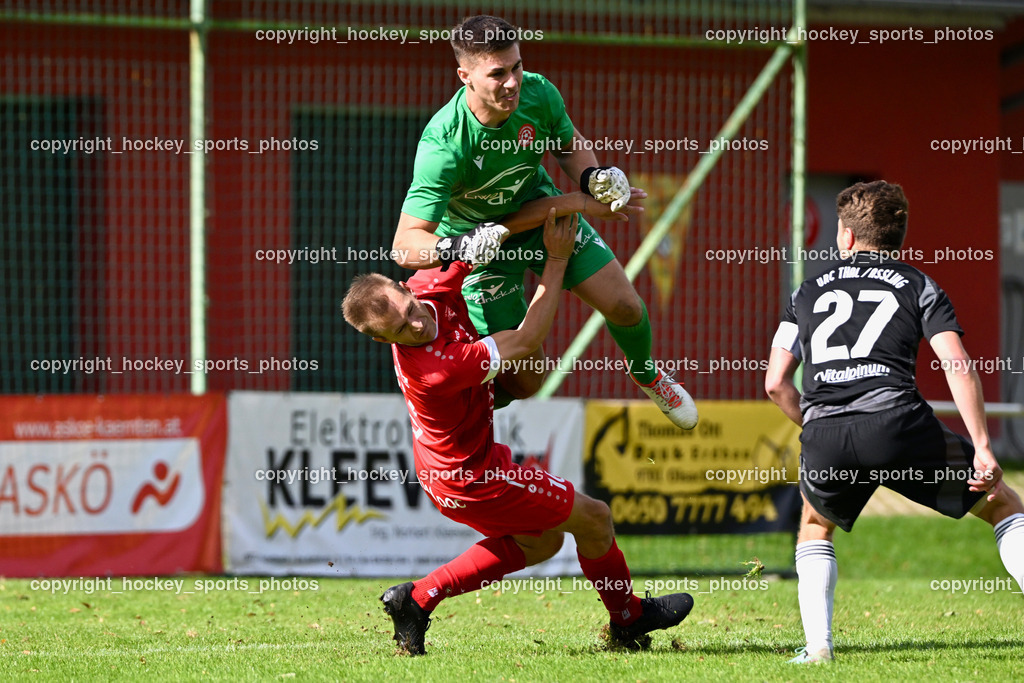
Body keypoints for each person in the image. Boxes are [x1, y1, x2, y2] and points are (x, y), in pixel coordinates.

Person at [343, 210, 693, 655]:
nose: (416, 324)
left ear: (407, 286)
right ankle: (628, 619)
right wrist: (558, 260)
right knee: (595, 519)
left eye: (409, 310)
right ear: (382, 340)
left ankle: (418, 598)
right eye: (400, 329)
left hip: (446, 474)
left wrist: (571, 198)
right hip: (474, 478)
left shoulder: (429, 290)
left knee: (542, 540)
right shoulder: (436, 368)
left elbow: (480, 237)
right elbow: (526, 341)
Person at [391, 14, 697, 429]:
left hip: (543, 216)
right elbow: (404, 245)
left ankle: (646, 374)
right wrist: (458, 247)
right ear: (464, 75)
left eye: (516, 66)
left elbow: (569, 145)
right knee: (527, 379)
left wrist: (593, 178)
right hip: (482, 250)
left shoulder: (538, 93)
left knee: (625, 306)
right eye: (497, 73)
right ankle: (458, 416)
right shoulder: (443, 146)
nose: (513, 82)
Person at [765, 180, 1024, 664]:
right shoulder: (919, 284)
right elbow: (958, 364)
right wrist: (983, 446)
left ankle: (818, 649)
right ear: (896, 238)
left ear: (844, 237)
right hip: (897, 424)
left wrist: (817, 426)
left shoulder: (805, 291)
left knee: (815, 526)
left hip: (826, 433)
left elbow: (776, 382)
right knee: (1001, 503)